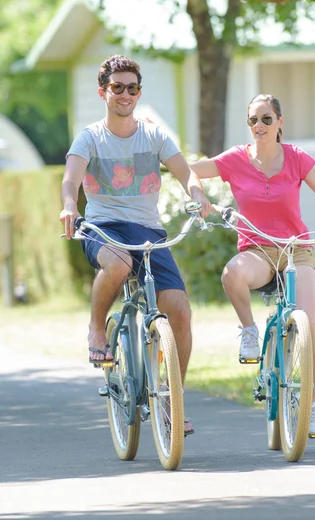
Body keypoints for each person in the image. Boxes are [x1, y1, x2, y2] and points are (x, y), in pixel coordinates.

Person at [60, 54, 211, 437]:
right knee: (119, 263)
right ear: (103, 92)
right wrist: (67, 208)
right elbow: (70, 180)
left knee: (179, 309)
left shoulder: (154, 136)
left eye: (131, 88)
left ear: (138, 93)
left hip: (148, 232)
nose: (125, 94)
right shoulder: (90, 138)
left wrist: (197, 195)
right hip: (102, 227)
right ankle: (97, 329)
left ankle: (172, 404)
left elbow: (185, 173)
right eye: (117, 88)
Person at [190, 93, 315, 436]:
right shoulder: (236, 159)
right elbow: (190, 170)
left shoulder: (296, 158)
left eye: (266, 119)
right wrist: (195, 193)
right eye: (253, 120)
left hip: (296, 249)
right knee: (231, 273)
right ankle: (250, 332)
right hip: (258, 250)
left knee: (309, 323)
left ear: (280, 122)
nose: (259, 126)